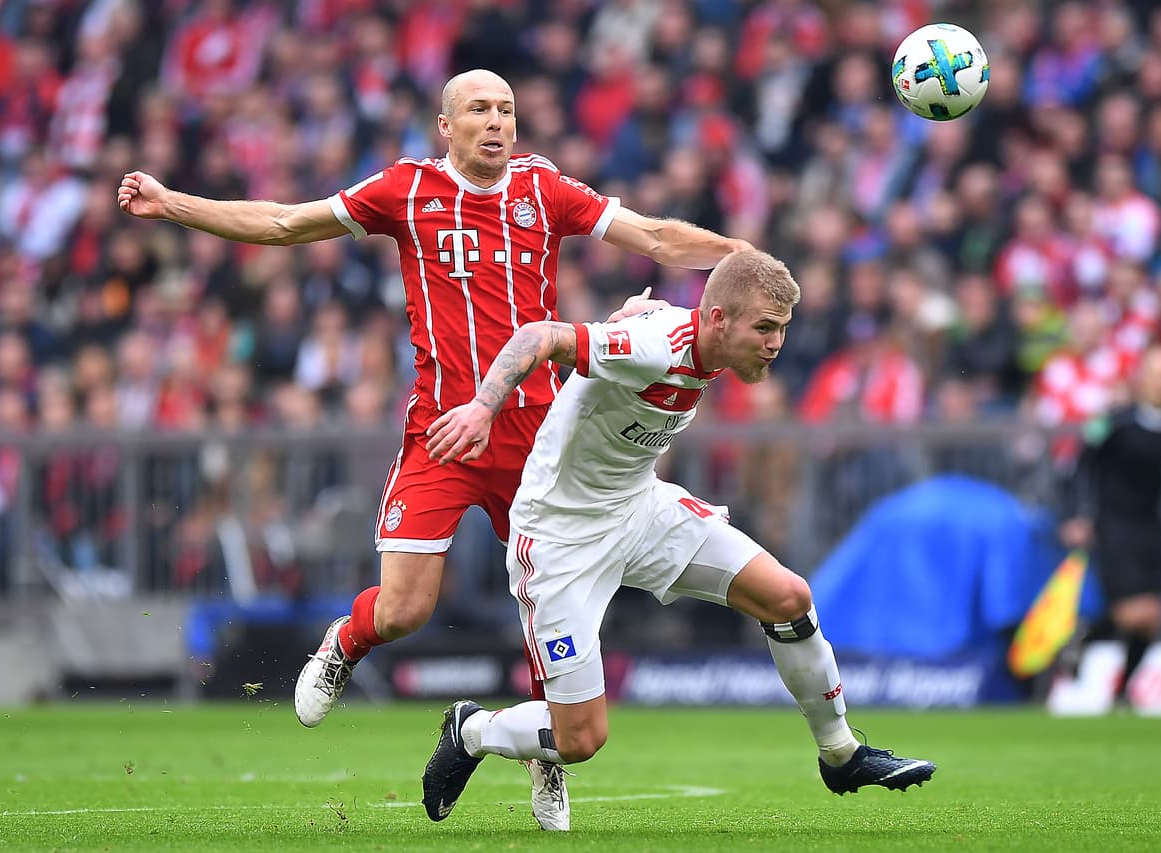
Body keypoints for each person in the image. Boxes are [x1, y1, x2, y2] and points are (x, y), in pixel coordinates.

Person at [116, 68, 749, 830]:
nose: (497, 121)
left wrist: (739, 256)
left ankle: (544, 754)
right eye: (479, 109)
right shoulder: (405, 189)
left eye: (506, 109)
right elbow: (284, 223)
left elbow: (653, 235)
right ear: (445, 126)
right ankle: (346, 642)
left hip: (538, 439)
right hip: (444, 431)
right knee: (405, 608)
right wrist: (172, 203)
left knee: (554, 601)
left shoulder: (544, 189)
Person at [419, 250, 936, 826]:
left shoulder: (697, 337)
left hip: (640, 510)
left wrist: (635, 313)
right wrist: (482, 408)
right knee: (579, 739)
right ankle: (472, 730)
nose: (775, 344)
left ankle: (841, 754)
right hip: (561, 536)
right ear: (718, 319)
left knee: (789, 597)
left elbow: (661, 319)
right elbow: (538, 335)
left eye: (782, 329)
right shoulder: (654, 346)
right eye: (764, 328)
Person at [1059, 344, 1161, 707]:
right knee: (1133, 611)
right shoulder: (1114, 422)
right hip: (1114, 525)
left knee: (1151, 617)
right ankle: (1085, 645)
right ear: (1142, 378)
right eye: (1158, 374)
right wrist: (1078, 514)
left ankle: (1119, 686)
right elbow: (1080, 466)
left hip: (1152, 527)